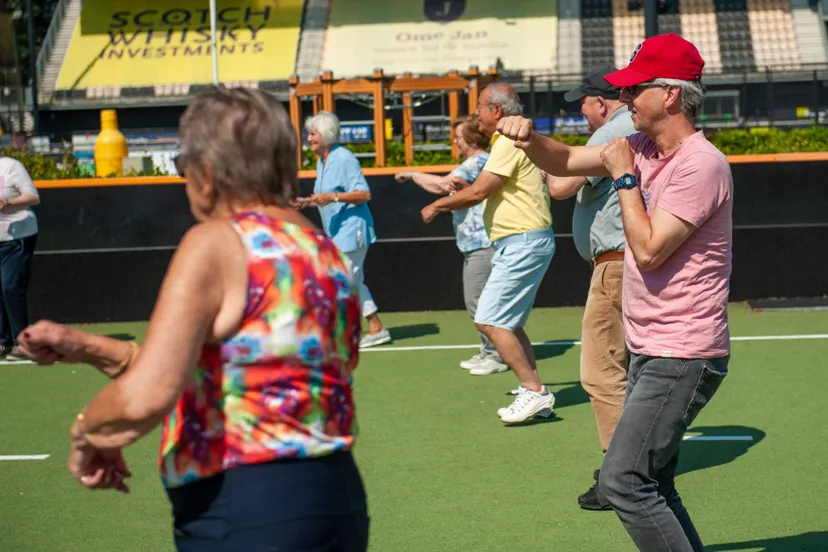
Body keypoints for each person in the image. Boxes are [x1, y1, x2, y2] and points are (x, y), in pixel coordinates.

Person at [17, 87, 370, 552]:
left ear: (206, 175)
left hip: (243, 505)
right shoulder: (325, 252)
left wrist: (87, 431)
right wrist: (86, 346)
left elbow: (150, 392)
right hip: (337, 499)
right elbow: (241, 373)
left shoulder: (217, 242)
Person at [496, 33, 732, 551]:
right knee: (652, 482)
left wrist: (625, 179)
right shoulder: (643, 146)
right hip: (655, 345)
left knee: (623, 481)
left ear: (670, 95)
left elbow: (647, 250)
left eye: (635, 89)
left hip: (683, 350)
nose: (624, 98)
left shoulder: (701, 163)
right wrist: (528, 137)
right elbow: (561, 162)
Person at [420, 83, 556, 423]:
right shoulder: (505, 141)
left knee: (490, 319)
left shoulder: (508, 140)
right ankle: (534, 390)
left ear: (497, 111)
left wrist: (437, 204)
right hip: (521, 240)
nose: (477, 112)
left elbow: (480, 190)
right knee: (509, 323)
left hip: (523, 240)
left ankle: (534, 392)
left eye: (480, 106)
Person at [547, 68, 635, 511]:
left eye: (582, 103)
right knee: (633, 372)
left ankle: (620, 476)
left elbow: (561, 183)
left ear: (601, 102)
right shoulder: (632, 126)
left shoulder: (616, 130)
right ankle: (640, 466)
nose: (580, 112)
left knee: (602, 371)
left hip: (616, 266)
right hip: (630, 264)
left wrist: (543, 159)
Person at [395, 115, 507, 375]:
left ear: (469, 140)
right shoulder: (478, 163)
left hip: (482, 244)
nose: (455, 142)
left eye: (458, 137)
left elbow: (442, 185)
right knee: (479, 300)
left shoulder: (476, 162)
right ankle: (488, 351)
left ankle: (495, 355)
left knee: (478, 301)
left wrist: (411, 174)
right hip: (476, 244)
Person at [293, 111, 391, 349]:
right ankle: (375, 327)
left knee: (342, 280)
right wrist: (308, 202)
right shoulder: (322, 161)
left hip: (352, 231)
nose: (308, 139)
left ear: (325, 135)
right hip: (337, 232)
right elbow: (326, 196)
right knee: (351, 280)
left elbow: (364, 194)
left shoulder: (344, 158)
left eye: (312, 134)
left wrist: (333, 196)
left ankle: (333, 330)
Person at [0, 155, 40, 361]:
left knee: (10, 287)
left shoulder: (10, 167)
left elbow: (33, 197)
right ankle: (3, 341)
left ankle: (23, 344)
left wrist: (7, 201)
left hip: (18, 237)